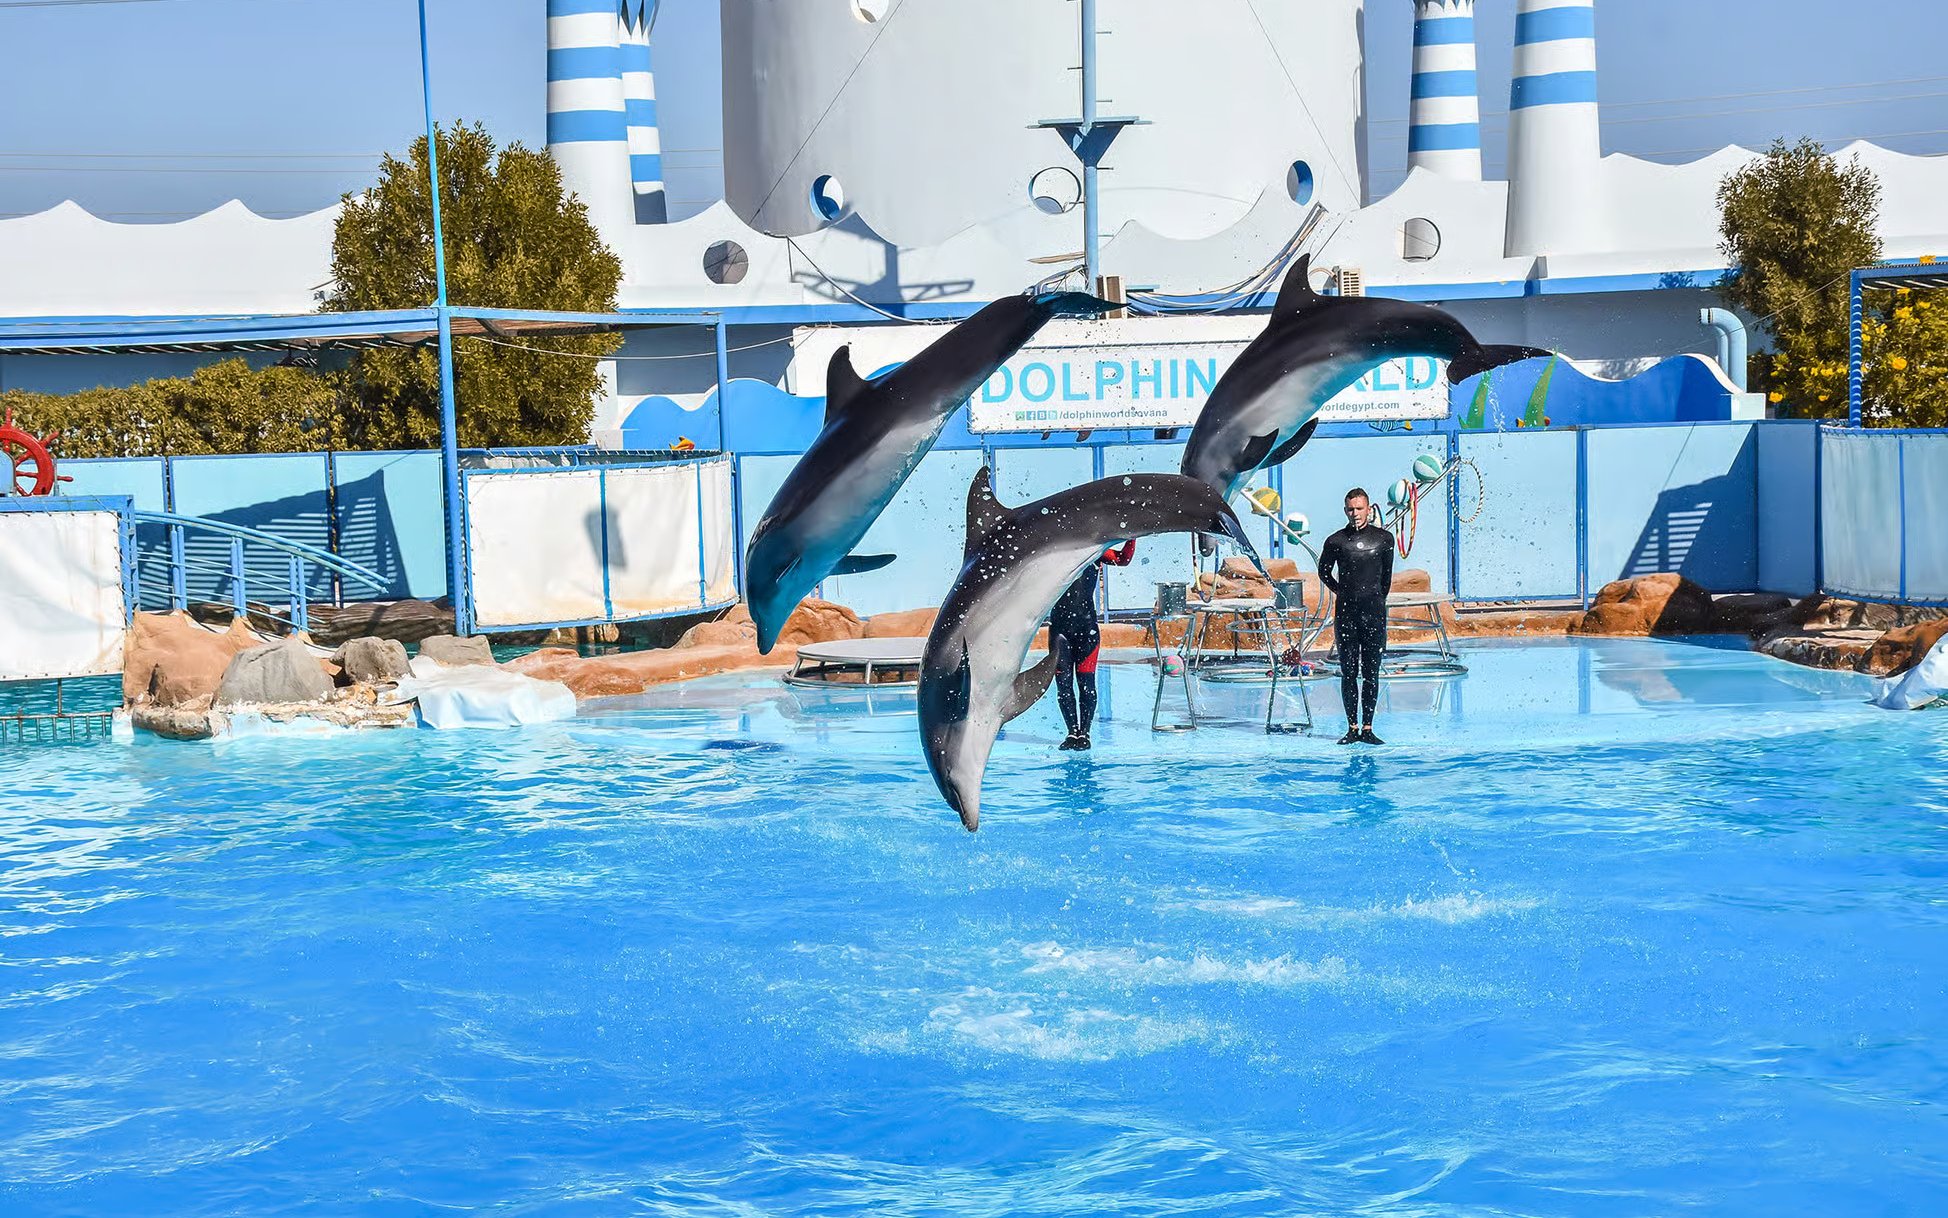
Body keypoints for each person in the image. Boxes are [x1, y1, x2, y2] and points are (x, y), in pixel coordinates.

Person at [1317, 488, 1394, 745]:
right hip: (1346, 615)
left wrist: (1373, 600)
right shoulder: (1336, 541)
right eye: (1351, 509)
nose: (1355, 514)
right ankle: (1352, 728)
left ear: (1369, 509)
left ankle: (1368, 728)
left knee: (1371, 672)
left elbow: (1386, 579)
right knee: (1348, 671)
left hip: (1373, 614)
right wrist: (1343, 592)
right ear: (1345, 510)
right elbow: (1324, 572)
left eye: (1359, 509)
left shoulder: (1384, 539)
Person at [1049, 539, 1137, 750]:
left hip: (1086, 629)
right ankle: (1071, 732)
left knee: (1087, 684)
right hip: (1060, 630)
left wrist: (1132, 537)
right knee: (1063, 686)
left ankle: (1084, 733)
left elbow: (1122, 560)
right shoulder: (1053, 554)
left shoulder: (1095, 551)